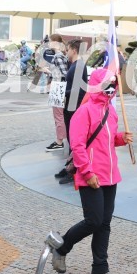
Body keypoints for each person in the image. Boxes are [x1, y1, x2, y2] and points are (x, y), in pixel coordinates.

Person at [51, 68, 134, 274]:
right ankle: (61, 247)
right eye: (107, 84)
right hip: (91, 175)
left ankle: (100, 269)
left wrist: (121, 138)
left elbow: (107, 141)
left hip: (110, 174)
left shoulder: (111, 111)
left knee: (104, 223)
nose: (111, 88)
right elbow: (78, 146)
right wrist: (87, 173)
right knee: (93, 221)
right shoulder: (84, 111)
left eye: (113, 84)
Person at [56, 39, 89, 184]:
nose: (66, 52)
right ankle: (70, 166)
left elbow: (79, 89)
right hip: (71, 105)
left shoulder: (78, 65)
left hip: (74, 106)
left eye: (68, 49)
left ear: (74, 50)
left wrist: (60, 92)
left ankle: (74, 170)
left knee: (74, 139)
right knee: (71, 138)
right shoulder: (75, 65)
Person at [43, 34, 69, 152]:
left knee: (58, 116)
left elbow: (65, 74)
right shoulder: (60, 55)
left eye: (49, 41)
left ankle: (59, 141)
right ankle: (60, 140)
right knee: (59, 115)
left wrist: (49, 72)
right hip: (58, 87)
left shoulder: (58, 56)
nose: (48, 43)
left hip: (58, 88)